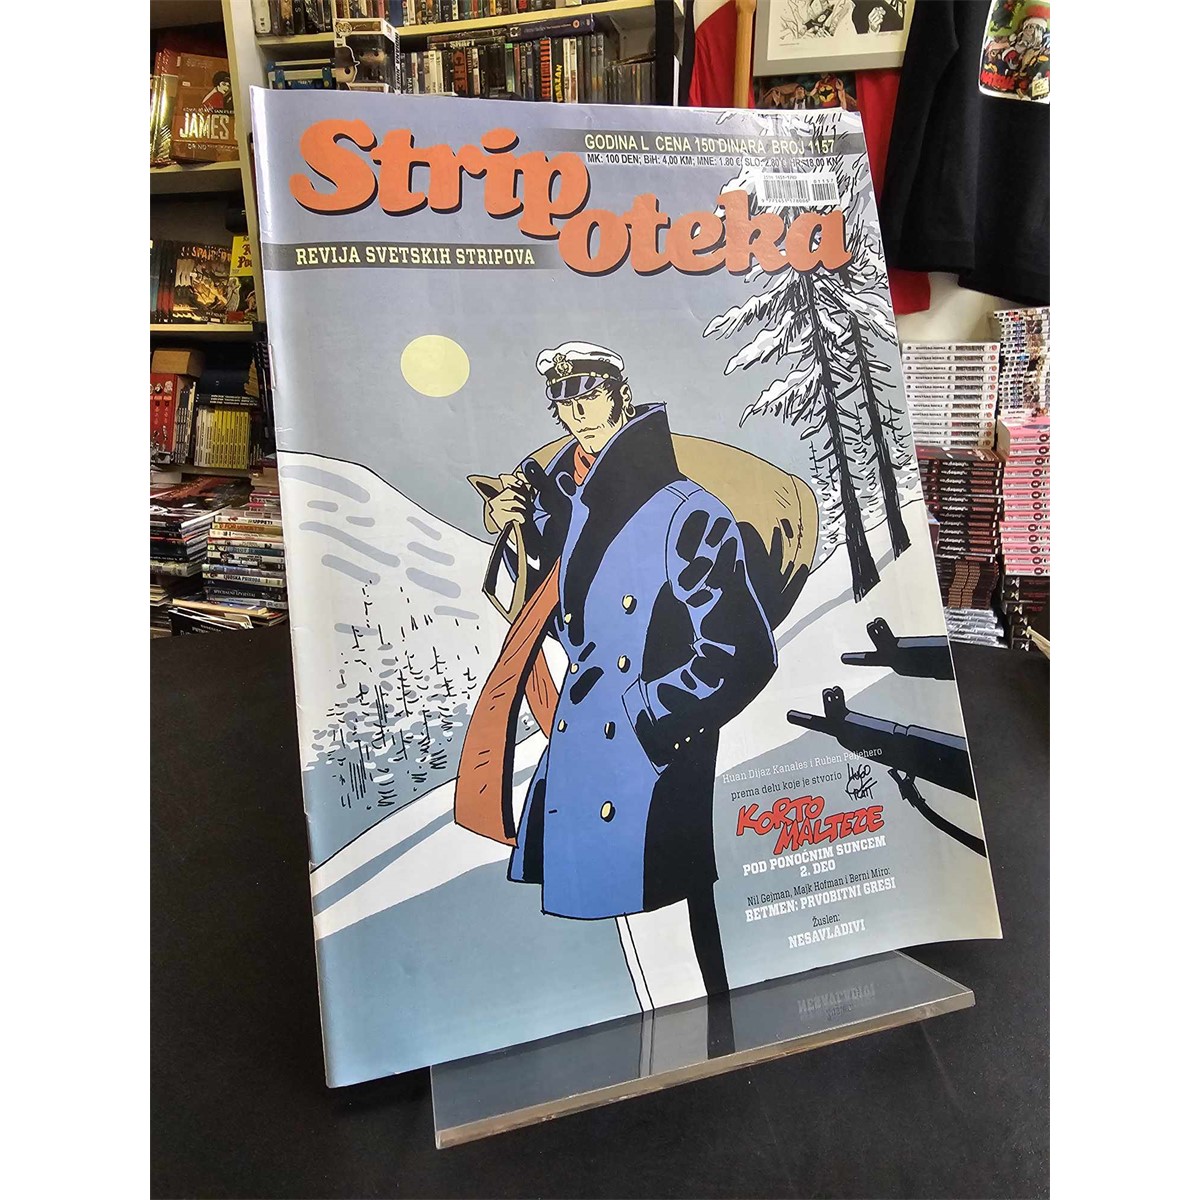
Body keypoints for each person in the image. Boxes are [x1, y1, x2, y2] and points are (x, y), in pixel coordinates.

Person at [456, 341, 778, 1007]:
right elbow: (564, 617)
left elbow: (742, 654)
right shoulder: (573, 505)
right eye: (563, 397)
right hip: (588, 753)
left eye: (590, 392)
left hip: (654, 766)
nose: (576, 410)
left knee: (676, 960)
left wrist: (647, 718)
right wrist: (515, 533)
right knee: (630, 977)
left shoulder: (688, 511)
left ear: (620, 395)